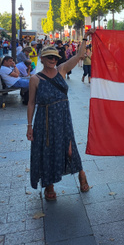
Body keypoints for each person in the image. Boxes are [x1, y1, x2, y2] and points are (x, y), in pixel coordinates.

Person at [26, 29, 95, 201]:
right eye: (49, 57)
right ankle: (49, 184)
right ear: (41, 59)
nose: (52, 60)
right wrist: (29, 126)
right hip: (45, 120)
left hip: (63, 117)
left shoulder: (62, 70)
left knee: (70, 150)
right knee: (47, 151)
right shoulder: (35, 79)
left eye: (55, 57)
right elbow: (31, 103)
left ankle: (81, 174)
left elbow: (80, 54)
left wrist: (86, 37)